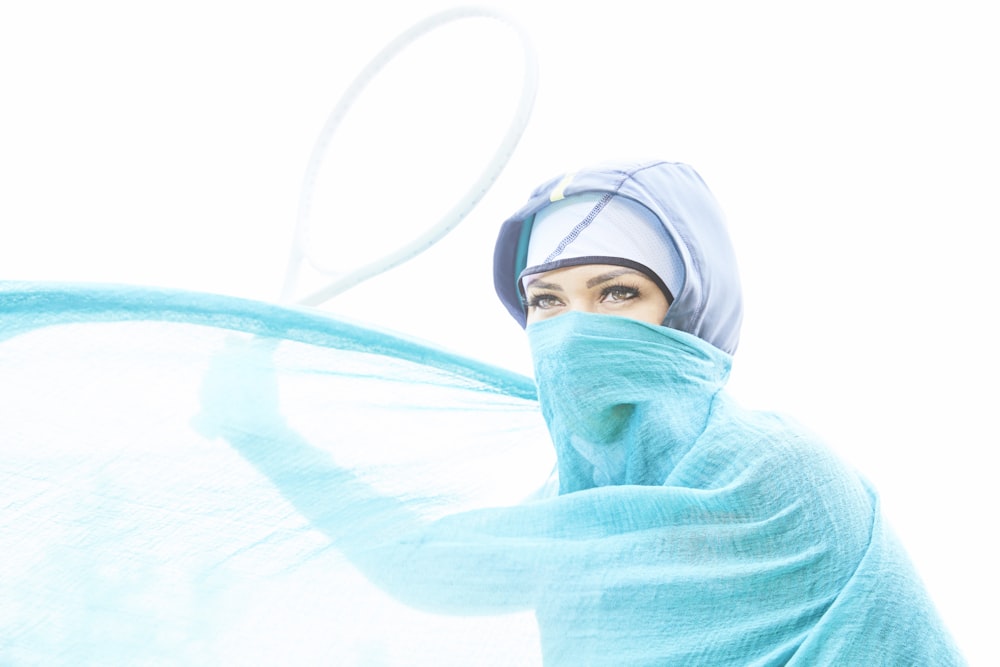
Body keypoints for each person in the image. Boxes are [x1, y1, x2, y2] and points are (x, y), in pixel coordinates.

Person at [198, 159, 966, 665]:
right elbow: (430, 568)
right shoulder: (582, 505)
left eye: (618, 292)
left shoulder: (777, 468)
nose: (576, 330)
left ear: (688, 308)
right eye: (546, 301)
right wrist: (263, 433)